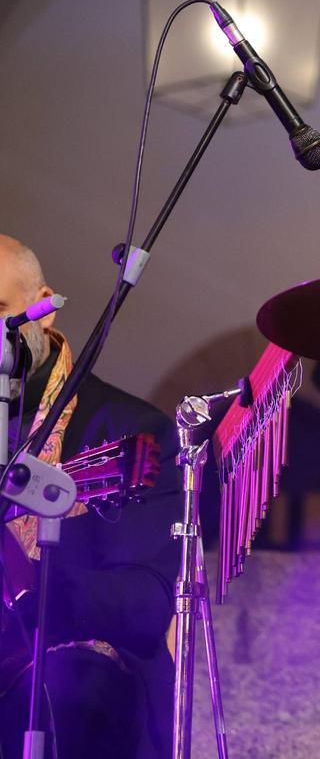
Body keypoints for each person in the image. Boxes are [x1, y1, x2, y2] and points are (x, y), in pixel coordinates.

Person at [0, 235, 181, 759]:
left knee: (75, 682)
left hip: (77, 686)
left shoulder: (126, 430)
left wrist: (34, 586)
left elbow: (147, 606)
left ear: (44, 311)